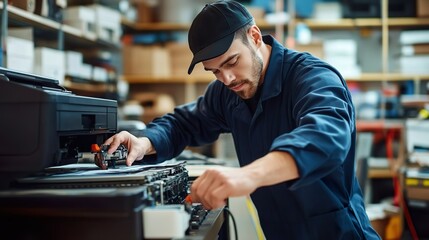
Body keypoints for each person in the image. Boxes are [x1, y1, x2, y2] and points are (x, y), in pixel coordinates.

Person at [105, 0, 380, 239]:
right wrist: (144, 142)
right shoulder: (227, 93)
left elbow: (325, 138)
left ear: (255, 36)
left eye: (232, 62)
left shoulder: (312, 77)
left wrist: (247, 175)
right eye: (214, 72)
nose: (227, 79)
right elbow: (183, 123)